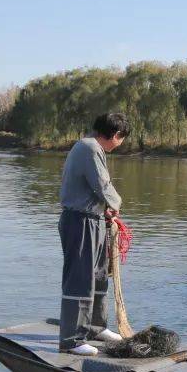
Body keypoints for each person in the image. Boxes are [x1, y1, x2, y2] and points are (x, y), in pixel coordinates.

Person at [58, 112, 130, 356]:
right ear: (115, 134)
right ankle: (71, 339)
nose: (121, 144)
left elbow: (95, 189)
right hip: (80, 222)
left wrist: (107, 210)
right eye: (122, 138)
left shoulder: (91, 147)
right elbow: (102, 185)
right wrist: (116, 204)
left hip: (94, 219)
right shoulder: (89, 148)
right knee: (80, 278)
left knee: (99, 276)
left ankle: (96, 327)